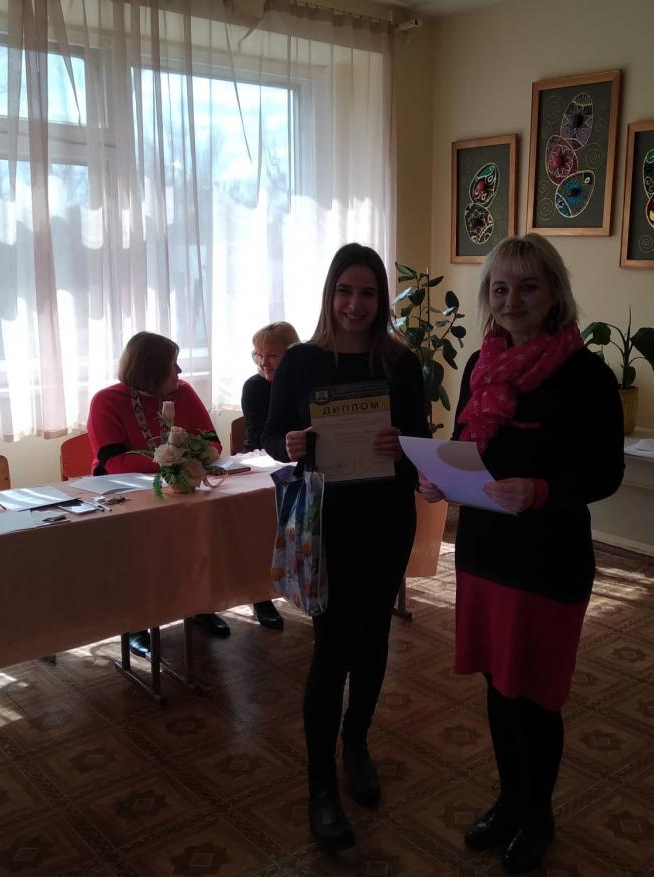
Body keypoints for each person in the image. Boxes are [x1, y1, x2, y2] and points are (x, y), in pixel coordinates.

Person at [416, 234, 624, 874]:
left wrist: (540, 491)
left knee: (536, 696)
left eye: (528, 286)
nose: (512, 300)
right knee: (499, 687)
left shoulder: (586, 375)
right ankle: (510, 802)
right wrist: (440, 477)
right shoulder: (480, 364)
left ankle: (538, 815)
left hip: (547, 559)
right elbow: (467, 448)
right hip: (485, 553)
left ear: (554, 293)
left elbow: (605, 473)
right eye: (501, 288)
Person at [263, 244, 427, 851]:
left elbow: (420, 441)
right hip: (326, 525)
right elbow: (270, 437)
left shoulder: (401, 364)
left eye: (368, 294)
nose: (355, 305)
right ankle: (320, 785)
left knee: (375, 639)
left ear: (382, 300)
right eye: (345, 291)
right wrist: (291, 444)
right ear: (330, 294)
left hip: (385, 520)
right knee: (332, 650)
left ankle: (356, 743)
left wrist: (400, 443)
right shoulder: (301, 361)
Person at [86, 331, 232, 652]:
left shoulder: (184, 392)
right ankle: (134, 624)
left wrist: (184, 459)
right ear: (151, 369)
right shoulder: (107, 400)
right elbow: (113, 462)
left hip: (180, 487)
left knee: (202, 537)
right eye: (172, 364)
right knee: (138, 553)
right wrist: (174, 460)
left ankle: (201, 606)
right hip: (126, 494)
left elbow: (212, 443)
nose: (179, 371)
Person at [240, 321, 301, 630]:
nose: (263, 362)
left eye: (272, 356)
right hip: (261, 461)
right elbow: (257, 436)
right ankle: (260, 595)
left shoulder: (304, 381)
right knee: (258, 518)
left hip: (297, 459)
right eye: (258, 355)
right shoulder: (254, 386)